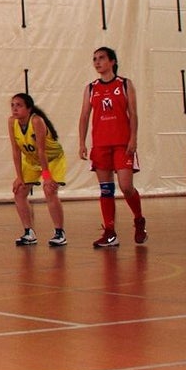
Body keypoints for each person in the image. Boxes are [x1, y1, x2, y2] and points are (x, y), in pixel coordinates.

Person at [77, 46, 146, 248]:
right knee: (106, 189)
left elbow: (133, 114)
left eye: (101, 58)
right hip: (100, 144)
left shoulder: (124, 84)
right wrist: (82, 142)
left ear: (112, 62)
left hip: (122, 143)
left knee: (126, 186)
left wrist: (133, 138)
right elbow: (84, 116)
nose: (97, 62)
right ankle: (110, 232)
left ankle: (139, 219)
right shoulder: (91, 88)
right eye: (94, 59)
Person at [8, 93, 68, 247]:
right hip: (32, 160)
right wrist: (19, 177)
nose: (14, 109)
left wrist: (47, 176)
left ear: (29, 108)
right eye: (12, 105)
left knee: (49, 190)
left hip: (52, 159)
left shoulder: (36, 121)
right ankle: (29, 233)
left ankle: (60, 233)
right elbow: (16, 151)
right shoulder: (12, 122)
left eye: (19, 105)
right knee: (19, 191)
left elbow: (42, 151)